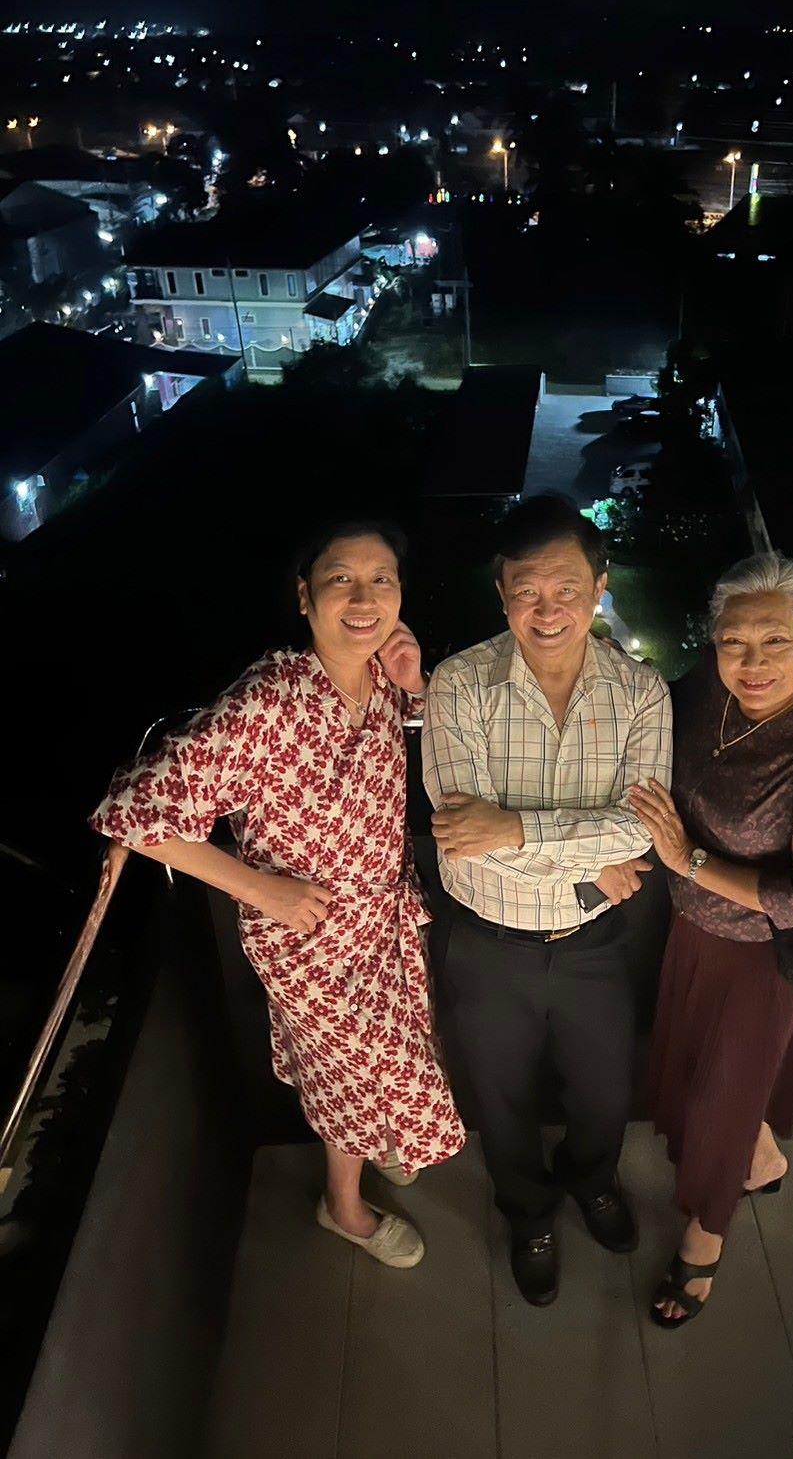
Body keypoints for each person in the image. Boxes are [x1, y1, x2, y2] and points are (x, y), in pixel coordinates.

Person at [91, 518, 465, 1270]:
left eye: (381, 580)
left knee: (391, 1054)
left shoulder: (380, 678)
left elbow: (414, 743)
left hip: (384, 918)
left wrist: (416, 685)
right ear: (304, 596)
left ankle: (378, 1135)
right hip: (309, 940)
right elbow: (133, 813)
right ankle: (343, 1206)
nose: (363, 599)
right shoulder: (269, 700)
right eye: (340, 579)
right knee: (346, 1077)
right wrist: (261, 888)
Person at [422, 494, 672, 1306]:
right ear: (501, 594)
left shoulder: (641, 692)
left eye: (566, 588)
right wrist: (586, 860)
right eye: (526, 590)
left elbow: (641, 831)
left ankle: (593, 1180)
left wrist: (517, 830)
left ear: (599, 586)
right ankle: (528, 1213)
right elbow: (462, 836)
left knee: (606, 1091)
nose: (547, 609)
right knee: (500, 1099)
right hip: (485, 942)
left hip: (595, 939)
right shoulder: (460, 684)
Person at [629, 552, 793, 1328]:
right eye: (734, 641)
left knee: (719, 1101)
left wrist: (688, 860)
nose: (753, 662)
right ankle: (762, 1157)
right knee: (691, 1071)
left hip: (770, 954)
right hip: (694, 928)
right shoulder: (705, 691)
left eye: (776, 640)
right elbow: (631, 706)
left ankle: (704, 1239)